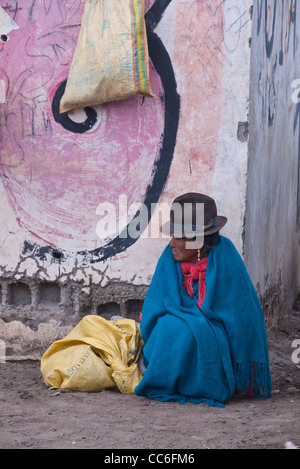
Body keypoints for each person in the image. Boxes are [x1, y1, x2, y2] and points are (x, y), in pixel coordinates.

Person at [135, 193, 272, 407]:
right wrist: (190, 318)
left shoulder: (226, 259)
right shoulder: (169, 259)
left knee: (196, 333)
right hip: (179, 323)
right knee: (170, 328)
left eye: (178, 237)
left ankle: (210, 383)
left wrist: (201, 323)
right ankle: (167, 379)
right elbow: (155, 309)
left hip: (218, 335)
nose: (171, 244)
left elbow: (240, 317)